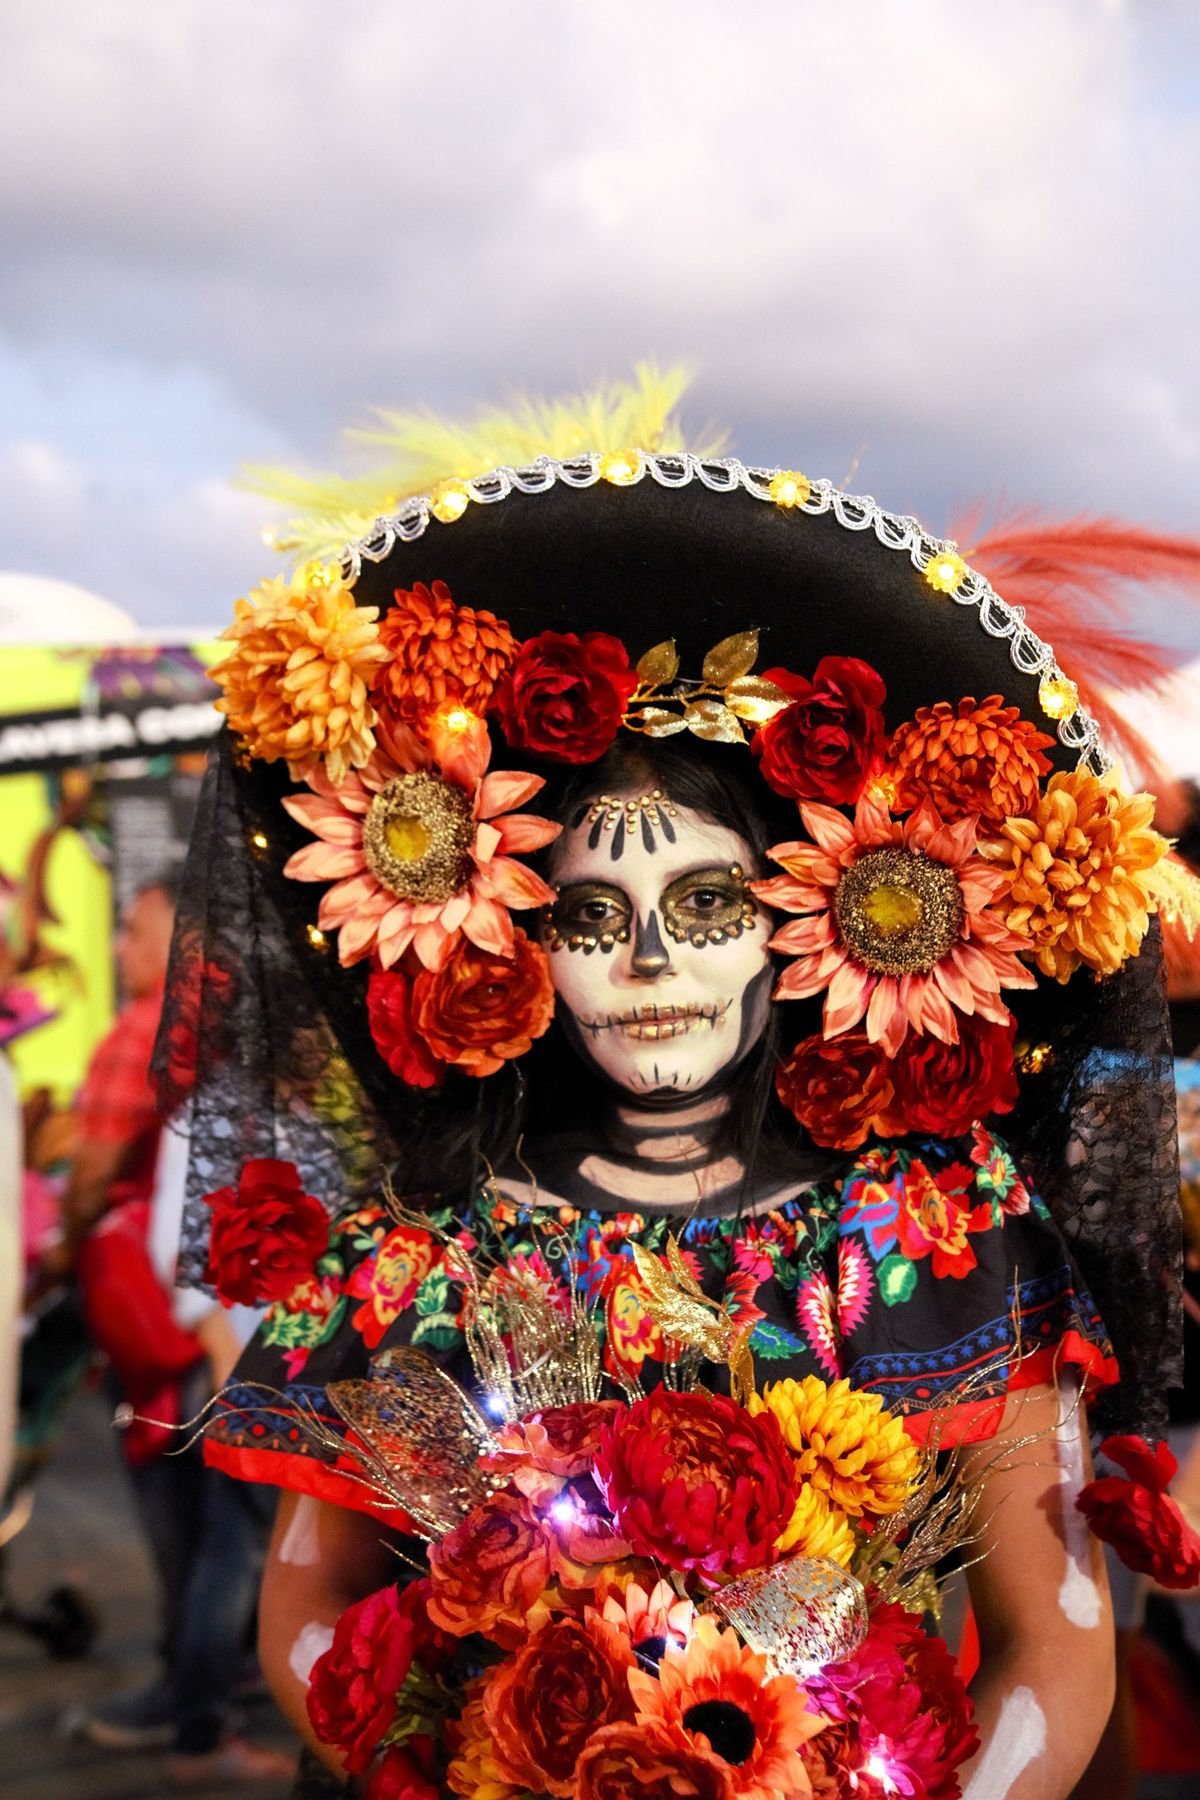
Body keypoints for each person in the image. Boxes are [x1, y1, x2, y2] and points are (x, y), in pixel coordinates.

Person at [155, 412, 1183, 1800]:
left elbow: (1056, 1647)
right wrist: (497, 1765)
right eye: (593, 913)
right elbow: (310, 1623)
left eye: (705, 905)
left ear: (800, 921)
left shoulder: (938, 1235)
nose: (652, 962)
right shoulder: (430, 1247)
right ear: (518, 938)